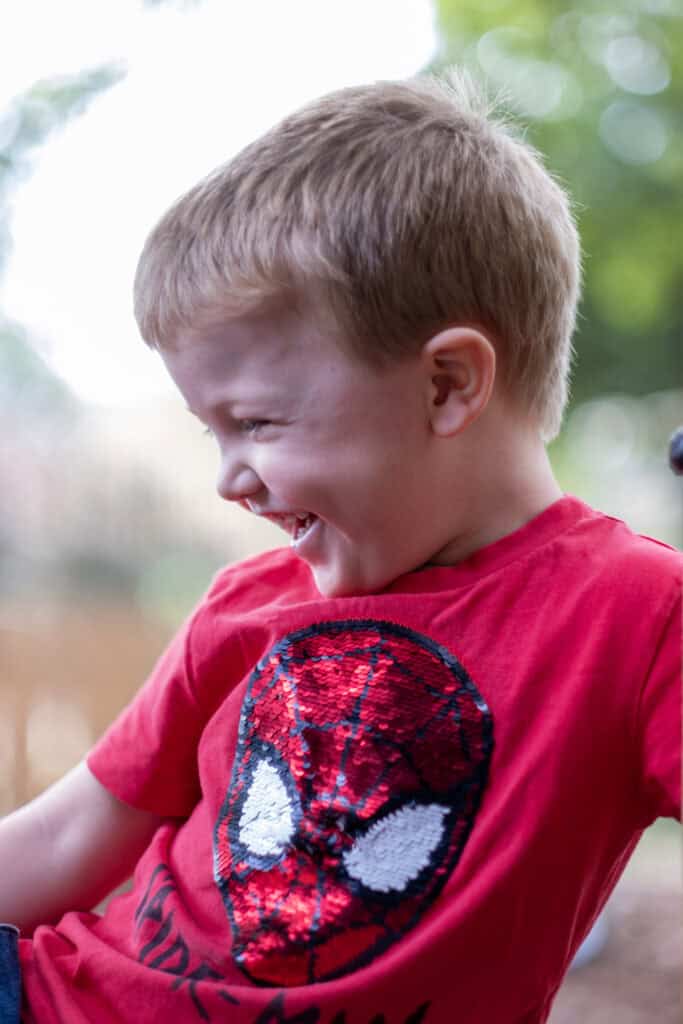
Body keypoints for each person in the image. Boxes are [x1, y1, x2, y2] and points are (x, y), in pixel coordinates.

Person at [1, 69, 680, 1024]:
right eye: (213, 433)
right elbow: (72, 833)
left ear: (446, 385)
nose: (229, 479)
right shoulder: (247, 603)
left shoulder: (637, 618)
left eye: (257, 422)